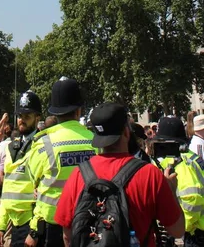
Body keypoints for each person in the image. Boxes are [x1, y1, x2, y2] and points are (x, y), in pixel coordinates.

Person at [55, 103, 185, 247]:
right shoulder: (149, 174)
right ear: (126, 132)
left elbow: (68, 236)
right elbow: (177, 230)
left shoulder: (78, 174)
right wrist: (171, 189)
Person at [26, 77, 95, 247]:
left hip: (52, 228)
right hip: (90, 224)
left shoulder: (43, 143)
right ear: (79, 111)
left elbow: (32, 180)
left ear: (54, 113)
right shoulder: (96, 141)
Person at [0, 90, 42, 247]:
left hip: (32, 223)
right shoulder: (11, 147)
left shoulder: (42, 146)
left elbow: (45, 192)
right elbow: (7, 188)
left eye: (27, 116)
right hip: (13, 225)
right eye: (20, 116)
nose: (22, 120)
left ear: (38, 118)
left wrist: (35, 230)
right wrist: (1, 225)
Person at [153, 116, 204, 246]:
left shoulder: (183, 162)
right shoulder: (185, 158)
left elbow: (192, 198)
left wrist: (181, 226)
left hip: (196, 233)